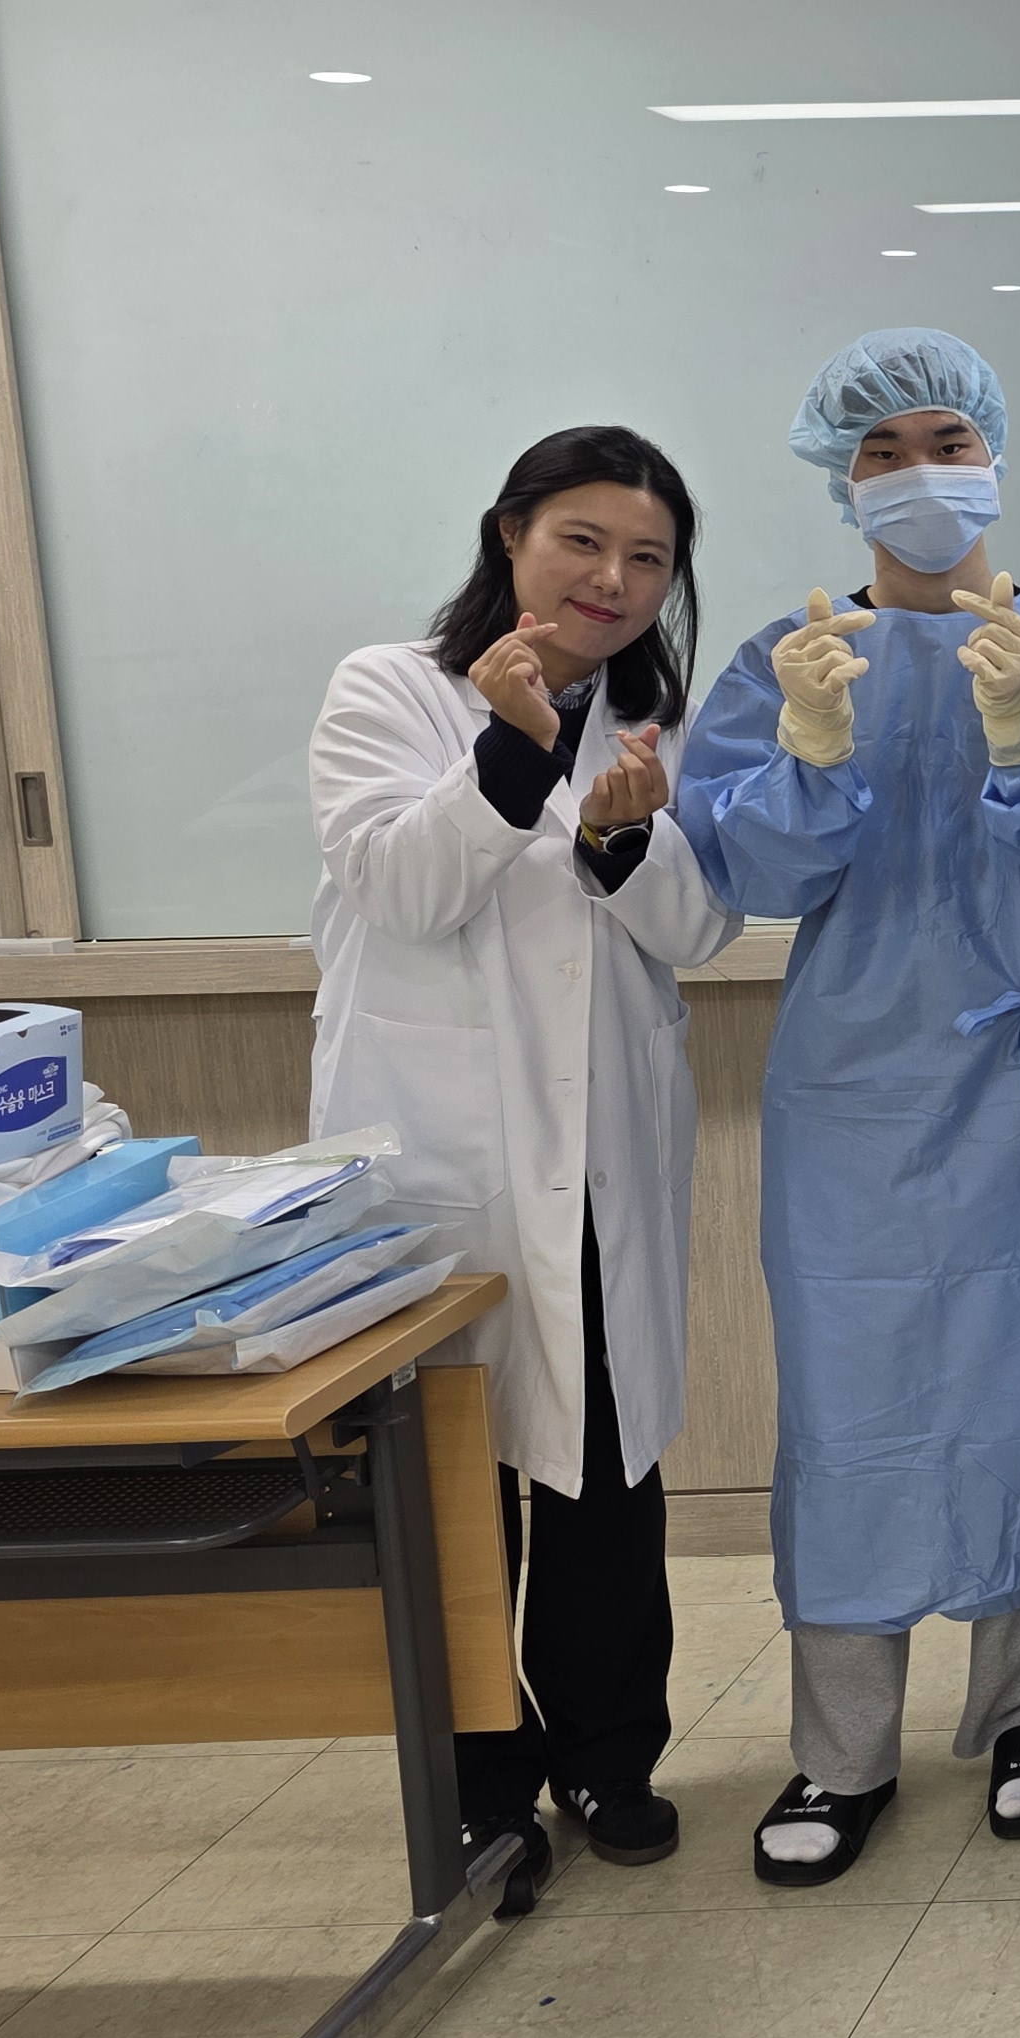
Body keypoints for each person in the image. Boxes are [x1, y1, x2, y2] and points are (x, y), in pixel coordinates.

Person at [679, 329, 1020, 1885]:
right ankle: (840, 1749)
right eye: (883, 450)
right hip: (854, 1085)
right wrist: (808, 749)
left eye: (948, 441)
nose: (920, 472)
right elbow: (748, 875)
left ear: (995, 455)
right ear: (840, 476)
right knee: (850, 1408)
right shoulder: (790, 657)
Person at [312, 426, 739, 1909]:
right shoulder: (390, 690)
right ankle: (481, 1787)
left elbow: (698, 930)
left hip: (602, 1158)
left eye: (648, 558)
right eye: (584, 542)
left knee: (606, 1474)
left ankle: (611, 1756)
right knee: (453, 1484)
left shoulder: (654, 721)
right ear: (511, 537)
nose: (613, 579)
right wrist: (512, 750)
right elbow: (400, 888)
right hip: (440, 1163)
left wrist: (624, 841)